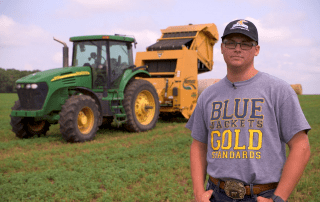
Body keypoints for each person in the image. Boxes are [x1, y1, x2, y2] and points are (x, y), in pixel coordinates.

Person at [186, 19, 311, 202]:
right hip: (216, 194)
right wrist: (198, 193)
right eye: (231, 43)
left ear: (256, 50)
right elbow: (198, 145)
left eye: (245, 44)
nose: (238, 48)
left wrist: (279, 198)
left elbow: (301, 146)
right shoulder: (208, 96)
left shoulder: (279, 91)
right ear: (222, 48)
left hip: (261, 196)